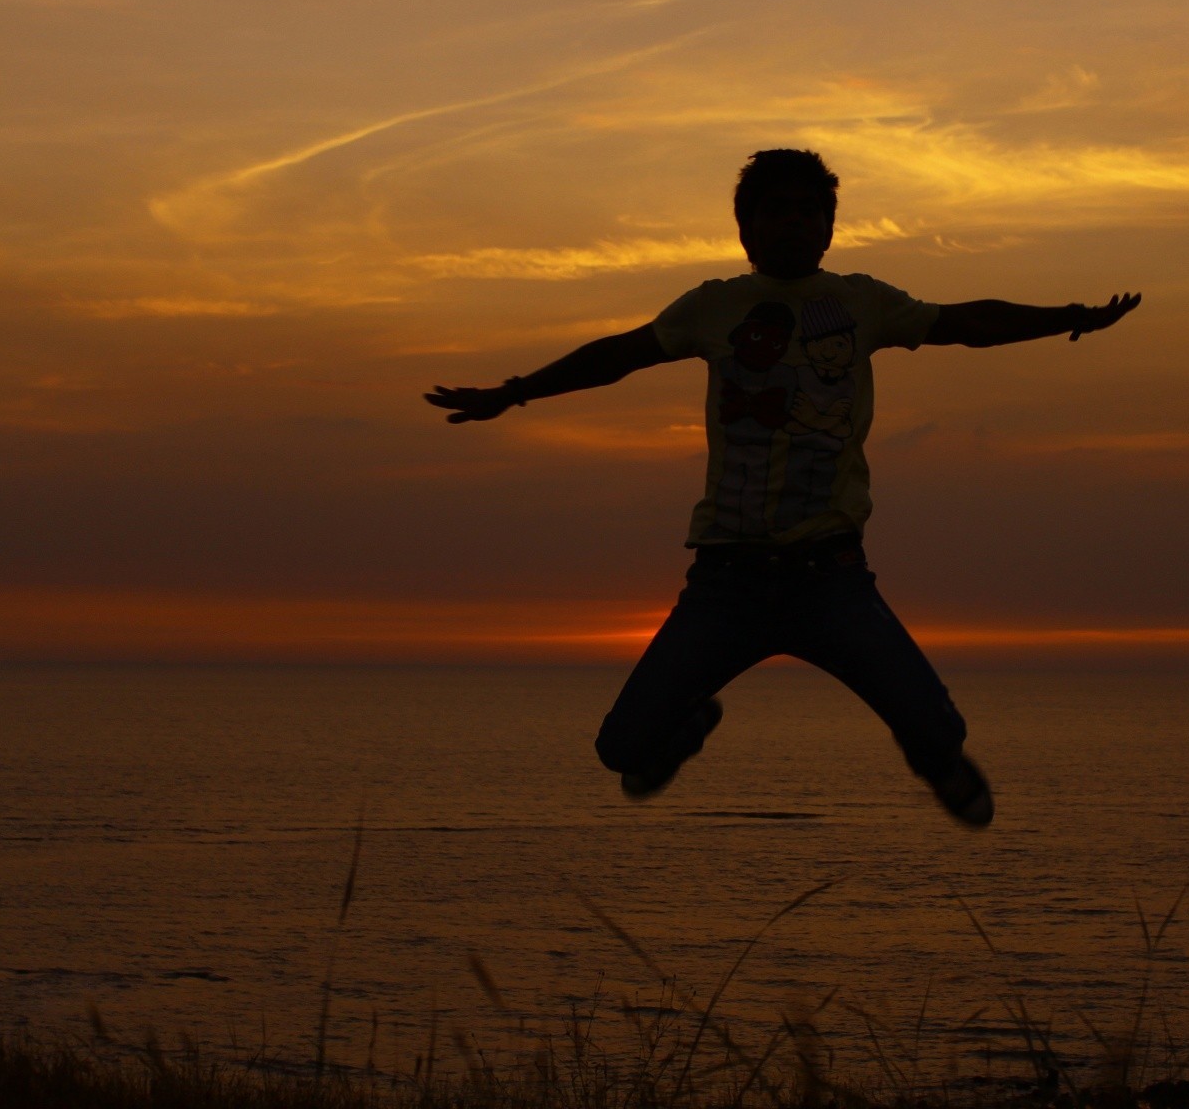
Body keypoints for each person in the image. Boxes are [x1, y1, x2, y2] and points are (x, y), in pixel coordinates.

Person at [425, 149, 1139, 828]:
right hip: (726, 584)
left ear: (829, 228)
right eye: (777, 210)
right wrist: (515, 392)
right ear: (747, 229)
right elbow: (620, 356)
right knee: (623, 752)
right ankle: (686, 723)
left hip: (829, 579)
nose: (794, 222)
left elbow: (965, 322)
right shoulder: (714, 307)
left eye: (809, 211)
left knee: (937, 729)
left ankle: (942, 765)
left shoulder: (861, 303)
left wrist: (1068, 317)